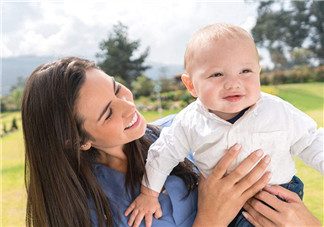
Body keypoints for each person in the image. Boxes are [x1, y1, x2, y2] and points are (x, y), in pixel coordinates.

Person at [21, 57, 321, 227]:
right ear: (78, 140)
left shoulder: (186, 129)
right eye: (108, 112)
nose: (128, 106)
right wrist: (210, 219)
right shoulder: (87, 211)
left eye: (116, 88)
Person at [125, 23, 324, 227]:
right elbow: (162, 154)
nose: (233, 83)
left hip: (277, 197)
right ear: (191, 85)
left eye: (245, 71)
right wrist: (149, 193)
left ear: (258, 72)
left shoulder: (278, 111)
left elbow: (310, 141)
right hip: (223, 206)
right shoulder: (189, 122)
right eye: (217, 74)